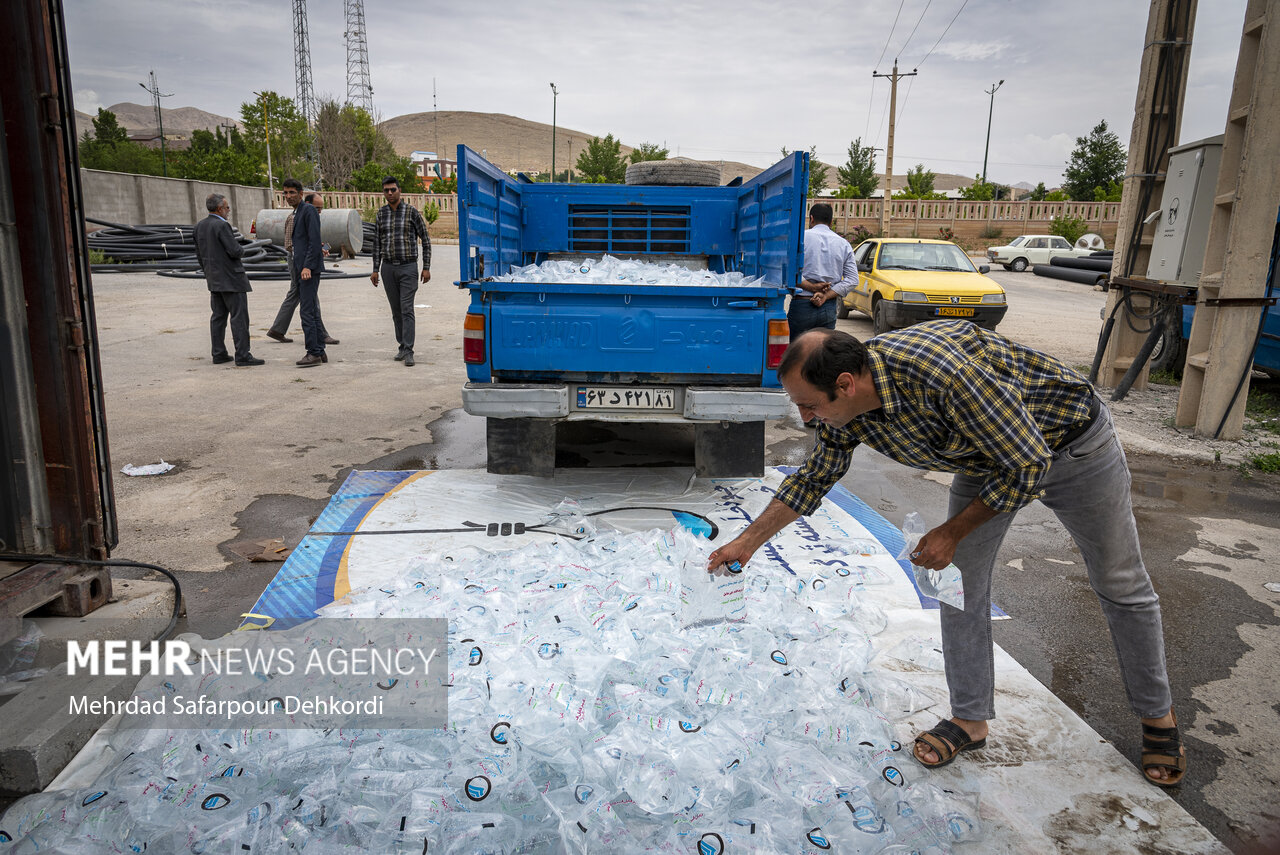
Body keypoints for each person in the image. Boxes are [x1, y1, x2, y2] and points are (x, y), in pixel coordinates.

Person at [706, 322, 1185, 788]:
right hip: (985, 459)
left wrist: (952, 531)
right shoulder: (846, 410)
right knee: (958, 585)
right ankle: (970, 719)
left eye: (809, 406)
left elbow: (1029, 465)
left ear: (846, 384)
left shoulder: (942, 374)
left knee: (1119, 579)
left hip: (1072, 448)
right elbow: (814, 477)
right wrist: (745, 544)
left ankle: (1157, 716)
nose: (806, 419)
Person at [192, 193, 263, 366]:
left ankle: (219, 353)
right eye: (227, 207)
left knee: (218, 317)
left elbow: (199, 254)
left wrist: (208, 272)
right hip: (232, 279)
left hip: (214, 279)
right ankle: (243, 355)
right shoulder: (222, 226)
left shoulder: (199, 226)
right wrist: (242, 248)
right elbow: (234, 251)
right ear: (219, 208)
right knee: (239, 318)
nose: (228, 211)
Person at [370, 175, 432, 367]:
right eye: (386, 190)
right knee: (396, 311)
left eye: (393, 189)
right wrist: (375, 269)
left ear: (399, 191)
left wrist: (426, 267)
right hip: (388, 268)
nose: (390, 193)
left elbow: (426, 240)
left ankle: (409, 350)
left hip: (408, 268)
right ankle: (402, 346)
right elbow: (377, 243)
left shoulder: (411, 212)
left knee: (406, 309)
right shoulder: (381, 214)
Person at [267, 192, 338, 347]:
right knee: (306, 297)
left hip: (303, 260)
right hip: (298, 261)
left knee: (301, 295)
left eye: (321, 209)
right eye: (317, 208)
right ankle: (320, 336)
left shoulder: (306, 216)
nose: (319, 212)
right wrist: (307, 263)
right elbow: (290, 244)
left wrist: (317, 248)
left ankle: (278, 329)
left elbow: (307, 240)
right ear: (307, 203)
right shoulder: (294, 218)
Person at [788, 202, 857, 343]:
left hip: (801, 306)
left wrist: (811, 287)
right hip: (827, 308)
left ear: (811, 219)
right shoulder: (843, 244)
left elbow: (788, 271)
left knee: (796, 355)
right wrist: (826, 295)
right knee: (822, 356)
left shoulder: (799, 239)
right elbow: (852, 280)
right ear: (831, 222)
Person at [283, 179, 326, 367]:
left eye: (292, 192)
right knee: (312, 311)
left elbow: (314, 241)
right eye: (285, 193)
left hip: (308, 269)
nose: (288, 196)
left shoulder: (307, 211)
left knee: (307, 311)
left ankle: (313, 353)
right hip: (302, 268)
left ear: (301, 194)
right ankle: (320, 350)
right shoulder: (297, 212)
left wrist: (307, 266)